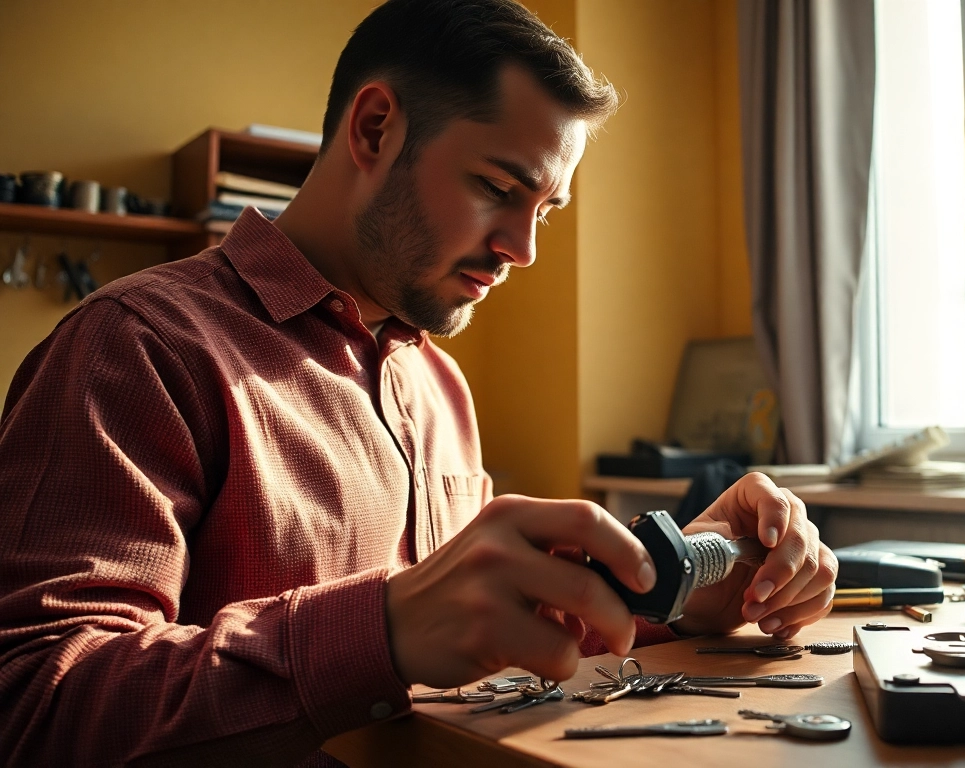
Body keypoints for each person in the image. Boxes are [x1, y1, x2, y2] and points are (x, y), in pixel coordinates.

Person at [0, 1, 838, 765]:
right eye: (497, 188)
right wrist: (382, 630)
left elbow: (475, 639)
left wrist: (689, 582)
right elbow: (35, 706)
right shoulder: (136, 347)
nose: (523, 249)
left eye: (544, 210)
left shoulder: (436, 382)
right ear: (373, 129)